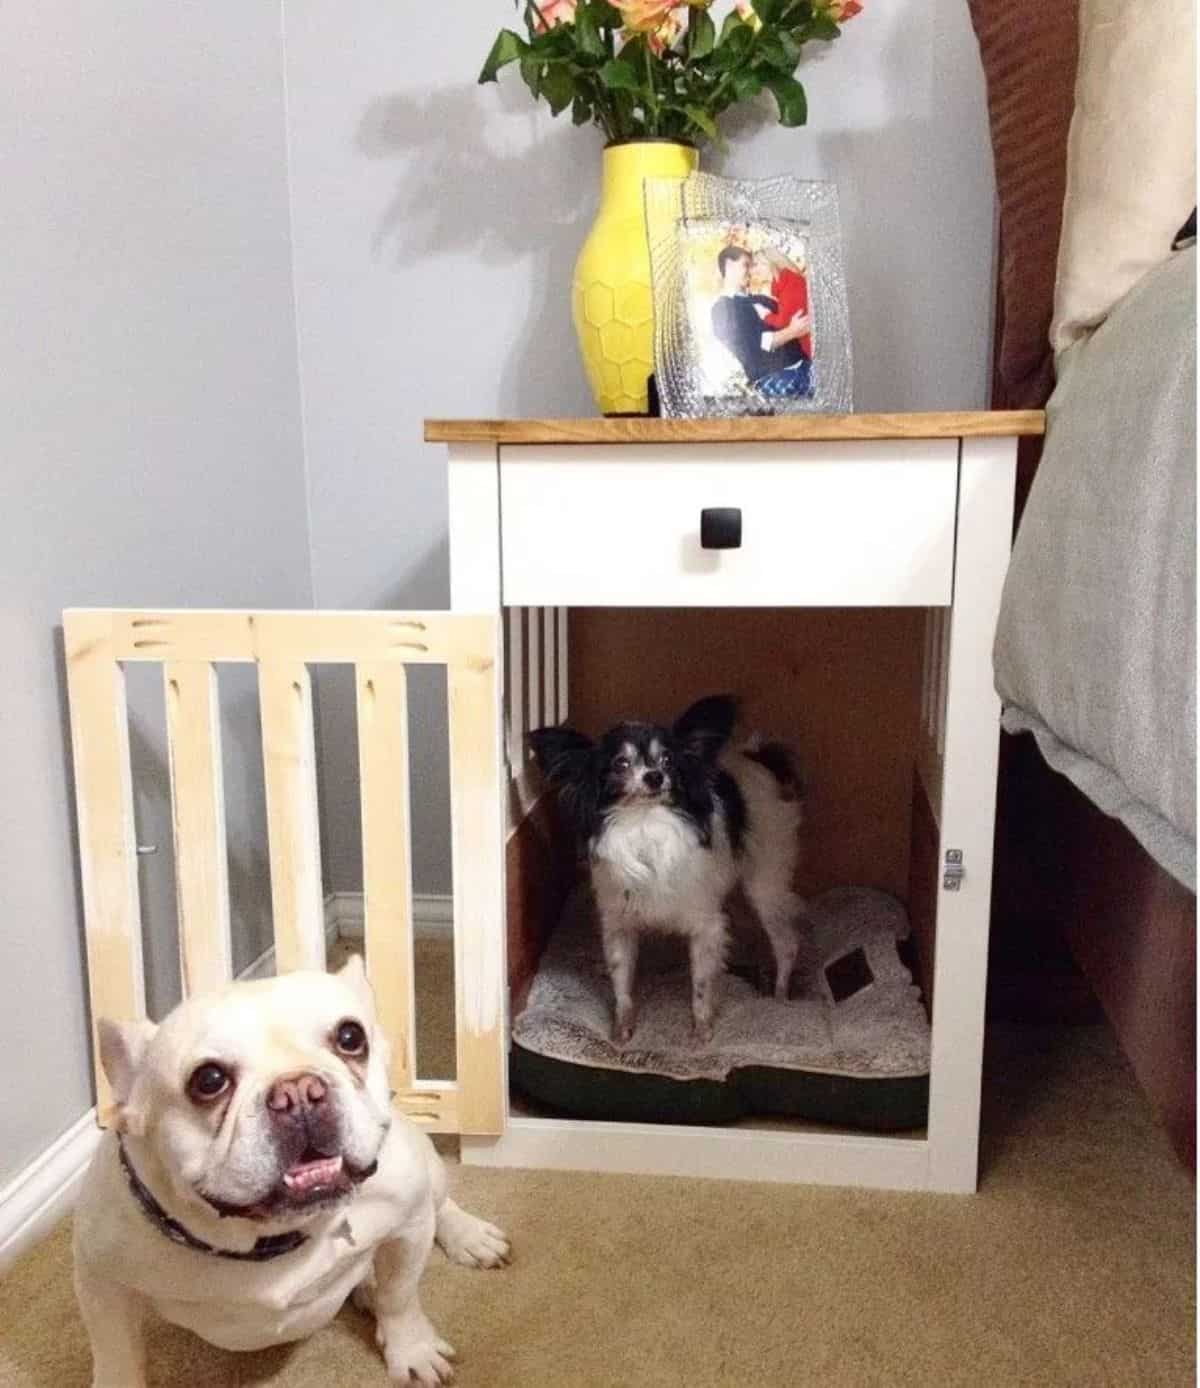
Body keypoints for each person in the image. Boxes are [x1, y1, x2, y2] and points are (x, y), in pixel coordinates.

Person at [709, 245, 812, 398]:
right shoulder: (721, 309)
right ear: (729, 265)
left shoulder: (761, 299)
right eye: (746, 265)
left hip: (804, 366)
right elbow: (756, 346)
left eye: (753, 266)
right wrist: (793, 331)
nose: (751, 271)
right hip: (778, 378)